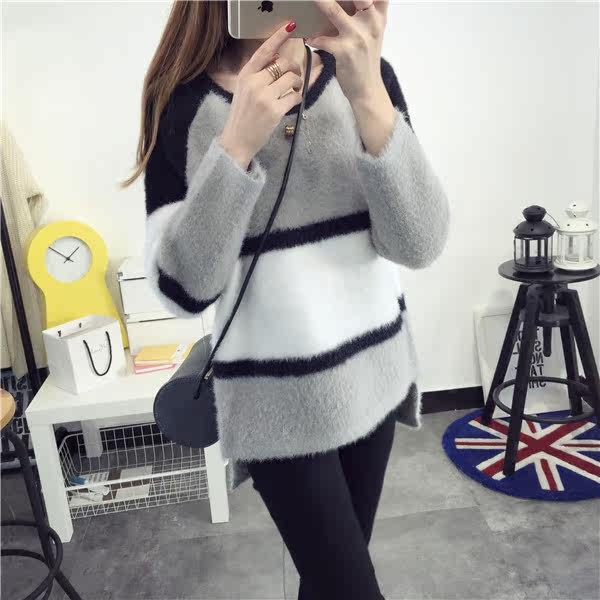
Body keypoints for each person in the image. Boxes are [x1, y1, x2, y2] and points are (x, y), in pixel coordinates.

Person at [122, 1, 450, 598]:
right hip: (272, 399)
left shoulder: (368, 76)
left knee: (328, 582)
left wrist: (368, 94)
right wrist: (236, 146)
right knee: (349, 586)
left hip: (374, 373)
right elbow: (182, 290)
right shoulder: (182, 104)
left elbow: (420, 243)